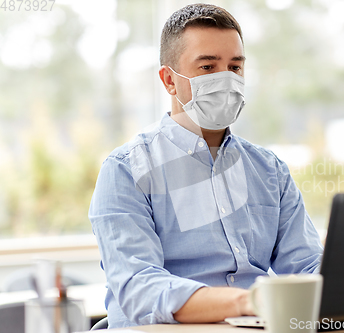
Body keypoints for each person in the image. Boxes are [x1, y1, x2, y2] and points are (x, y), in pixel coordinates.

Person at [89, 3, 323, 328]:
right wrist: (251, 300)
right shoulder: (126, 170)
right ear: (169, 80)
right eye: (208, 67)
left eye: (235, 67)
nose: (226, 79)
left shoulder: (270, 171)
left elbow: (308, 265)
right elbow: (140, 289)